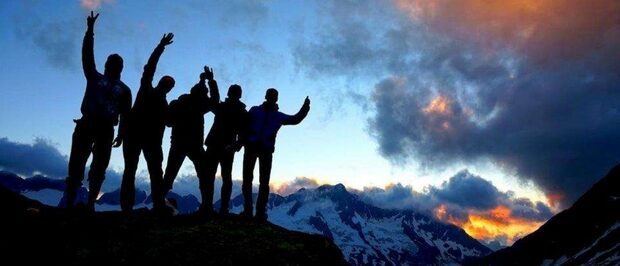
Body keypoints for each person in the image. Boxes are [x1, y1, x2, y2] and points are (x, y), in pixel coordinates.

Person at [63, 11, 132, 212]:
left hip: (104, 128)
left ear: (119, 67)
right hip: (88, 123)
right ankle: (72, 203)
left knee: (97, 167)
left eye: (115, 64)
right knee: (78, 164)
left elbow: (126, 114)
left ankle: (89, 203)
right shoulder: (95, 77)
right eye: (112, 63)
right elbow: (87, 56)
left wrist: (121, 134)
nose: (113, 66)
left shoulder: (124, 90)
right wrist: (90, 31)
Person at [119, 33, 175, 213]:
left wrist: (160, 47)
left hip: (137, 138)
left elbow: (149, 68)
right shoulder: (150, 93)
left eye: (168, 84)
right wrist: (160, 47)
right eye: (167, 84)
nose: (167, 86)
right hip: (144, 140)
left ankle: (130, 208)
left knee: (135, 172)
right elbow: (150, 67)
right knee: (148, 173)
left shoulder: (148, 92)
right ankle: (155, 205)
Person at [242, 89, 310, 221]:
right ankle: (254, 212)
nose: (272, 98)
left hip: (256, 148)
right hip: (261, 149)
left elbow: (295, 119)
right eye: (272, 95)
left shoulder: (256, 111)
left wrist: (305, 108)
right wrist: (305, 108)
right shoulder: (269, 114)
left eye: (273, 96)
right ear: (269, 97)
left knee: (254, 181)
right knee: (258, 182)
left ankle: (253, 212)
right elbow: (295, 119)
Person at [163, 66, 219, 216]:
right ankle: (206, 206)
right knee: (204, 175)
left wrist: (203, 81)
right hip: (194, 145)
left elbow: (168, 122)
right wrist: (210, 81)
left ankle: (158, 203)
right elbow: (214, 101)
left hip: (178, 143)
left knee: (169, 174)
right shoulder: (200, 104)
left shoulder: (177, 103)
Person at [204, 84, 248, 215]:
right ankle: (221, 208)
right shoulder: (241, 112)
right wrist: (236, 146)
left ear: (229, 93)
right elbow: (244, 133)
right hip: (226, 147)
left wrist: (211, 82)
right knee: (224, 178)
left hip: (217, 146)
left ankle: (209, 207)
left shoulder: (222, 107)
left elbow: (213, 100)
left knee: (211, 177)